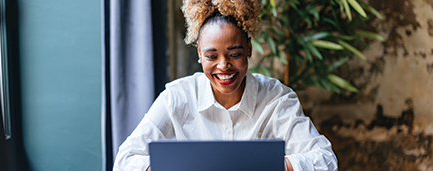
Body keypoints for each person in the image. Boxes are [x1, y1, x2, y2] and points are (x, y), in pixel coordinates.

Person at [113, 0, 338, 170]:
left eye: (235, 53)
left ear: (249, 49)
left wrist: (267, 166)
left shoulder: (276, 98)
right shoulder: (177, 97)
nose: (223, 66)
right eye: (212, 56)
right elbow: (125, 160)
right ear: (199, 54)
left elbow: (326, 160)